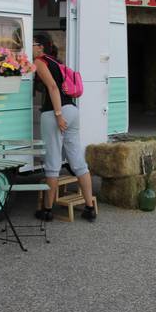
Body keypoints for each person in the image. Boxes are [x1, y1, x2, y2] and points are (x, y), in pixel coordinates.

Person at [32, 32, 97, 222]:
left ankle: (47, 210)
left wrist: (58, 115)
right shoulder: (57, 62)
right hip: (73, 111)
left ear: (41, 47)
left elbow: (52, 87)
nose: (30, 47)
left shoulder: (40, 62)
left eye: (32, 44)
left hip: (55, 113)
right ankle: (89, 208)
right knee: (78, 162)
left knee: (52, 163)